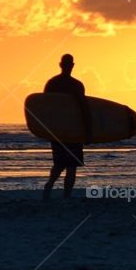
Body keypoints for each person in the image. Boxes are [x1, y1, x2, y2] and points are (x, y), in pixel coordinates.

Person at [42, 54, 90, 199]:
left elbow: (83, 108)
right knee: (61, 164)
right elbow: (46, 107)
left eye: (69, 64)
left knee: (71, 165)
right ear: (62, 65)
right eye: (67, 64)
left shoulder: (56, 83)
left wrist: (87, 131)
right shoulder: (60, 84)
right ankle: (50, 185)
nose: (68, 67)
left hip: (68, 130)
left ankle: (64, 194)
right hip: (63, 130)